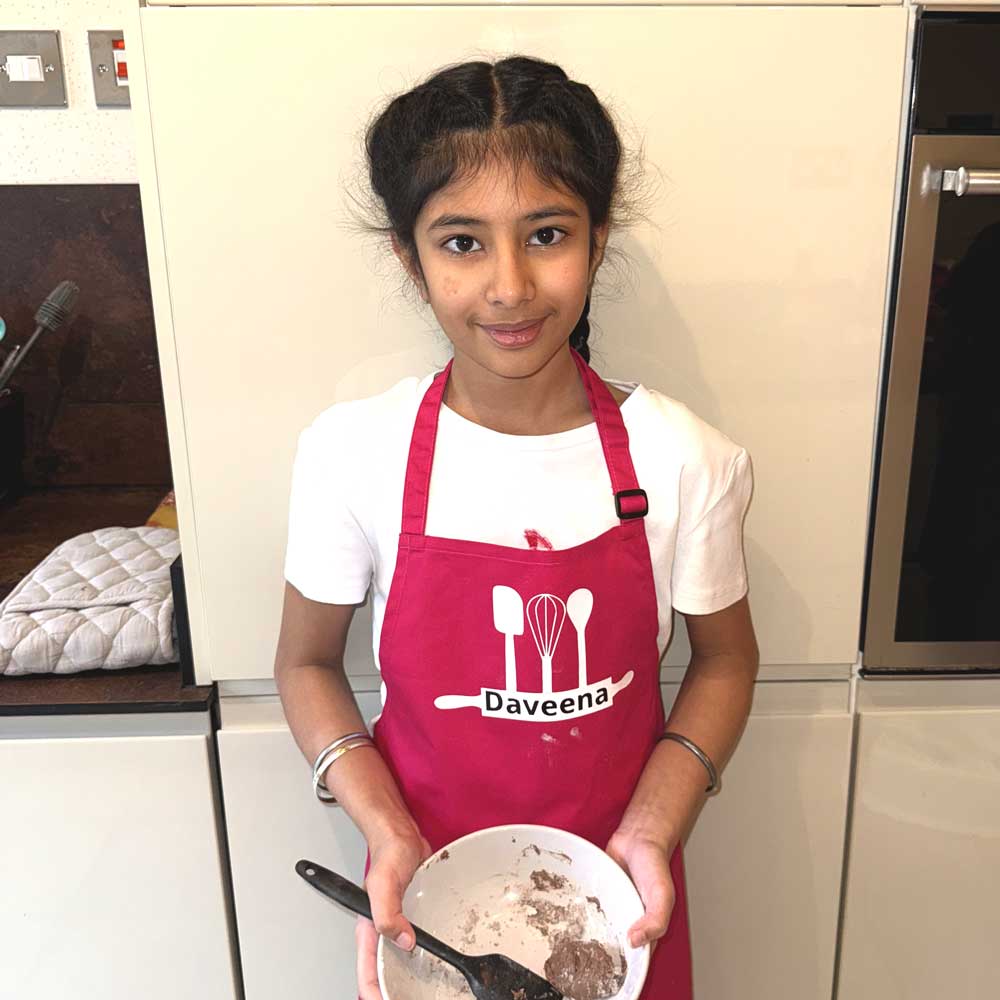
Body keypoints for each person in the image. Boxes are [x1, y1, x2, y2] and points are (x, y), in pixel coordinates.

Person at [274, 55, 760, 1000]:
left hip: (622, 905)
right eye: (462, 242)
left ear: (599, 239)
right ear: (409, 257)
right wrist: (384, 829)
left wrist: (653, 829)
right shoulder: (354, 452)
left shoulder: (682, 456)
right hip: (428, 903)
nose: (509, 286)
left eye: (546, 234)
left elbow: (726, 661)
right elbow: (305, 664)